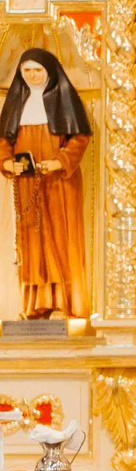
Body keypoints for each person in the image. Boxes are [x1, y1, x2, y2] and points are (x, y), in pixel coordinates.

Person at [0, 48, 92, 320]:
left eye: (37, 70)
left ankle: (64, 305)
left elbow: (79, 138)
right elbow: (4, 141)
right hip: (28, 184)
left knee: (61, 241)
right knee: (32, 244)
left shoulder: (63, 99)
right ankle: (34, 307)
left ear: (50, 73)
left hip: (59, 184)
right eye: (26, 70)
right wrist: (7, 163)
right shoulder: (16, 103)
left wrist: (60, 161)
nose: (32, 75)